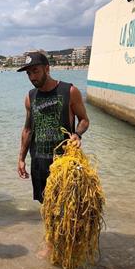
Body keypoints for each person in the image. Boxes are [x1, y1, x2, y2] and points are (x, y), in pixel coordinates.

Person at [17, 51, 89, 203]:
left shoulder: (69, 91)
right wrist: (21, 158)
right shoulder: (30, 97)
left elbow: (84, 120)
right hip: (39, 164)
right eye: (28, 73)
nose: (32, 77)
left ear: (47, 69)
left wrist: (77, 134)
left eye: (35, 71)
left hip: (64, 165)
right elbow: (27, 130)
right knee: (47, 209)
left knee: (68, 210)